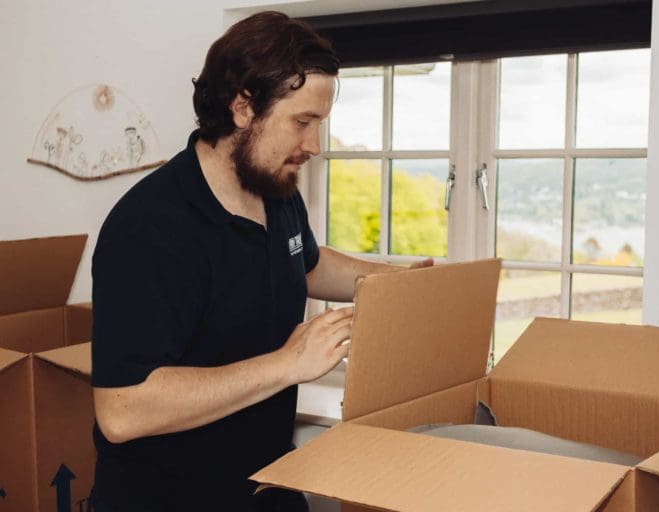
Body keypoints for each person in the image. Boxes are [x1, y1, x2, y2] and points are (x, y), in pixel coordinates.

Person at [89, 11, 431, 512]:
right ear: (243, 107)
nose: (314, 146)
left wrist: (396, 281)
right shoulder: (149, 228)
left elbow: (305, 263)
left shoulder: (275, 188)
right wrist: (289, 363)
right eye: (302, 123)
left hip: (265, 484)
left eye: (319, 125)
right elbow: (122, 410)